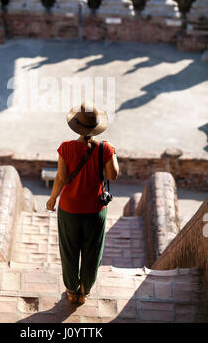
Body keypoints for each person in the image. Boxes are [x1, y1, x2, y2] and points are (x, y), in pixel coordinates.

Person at [46, 102, 119, 305]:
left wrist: (52, 198)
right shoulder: (106, 148)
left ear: (77, 126)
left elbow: (60, 178)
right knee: (92, 251)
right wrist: (113, 154)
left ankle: (71, 290)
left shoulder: (66, 148)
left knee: (69, 251)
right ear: (96, 127)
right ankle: (84, 291)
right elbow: (113, 176)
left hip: (69, 208)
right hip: (95, 209)